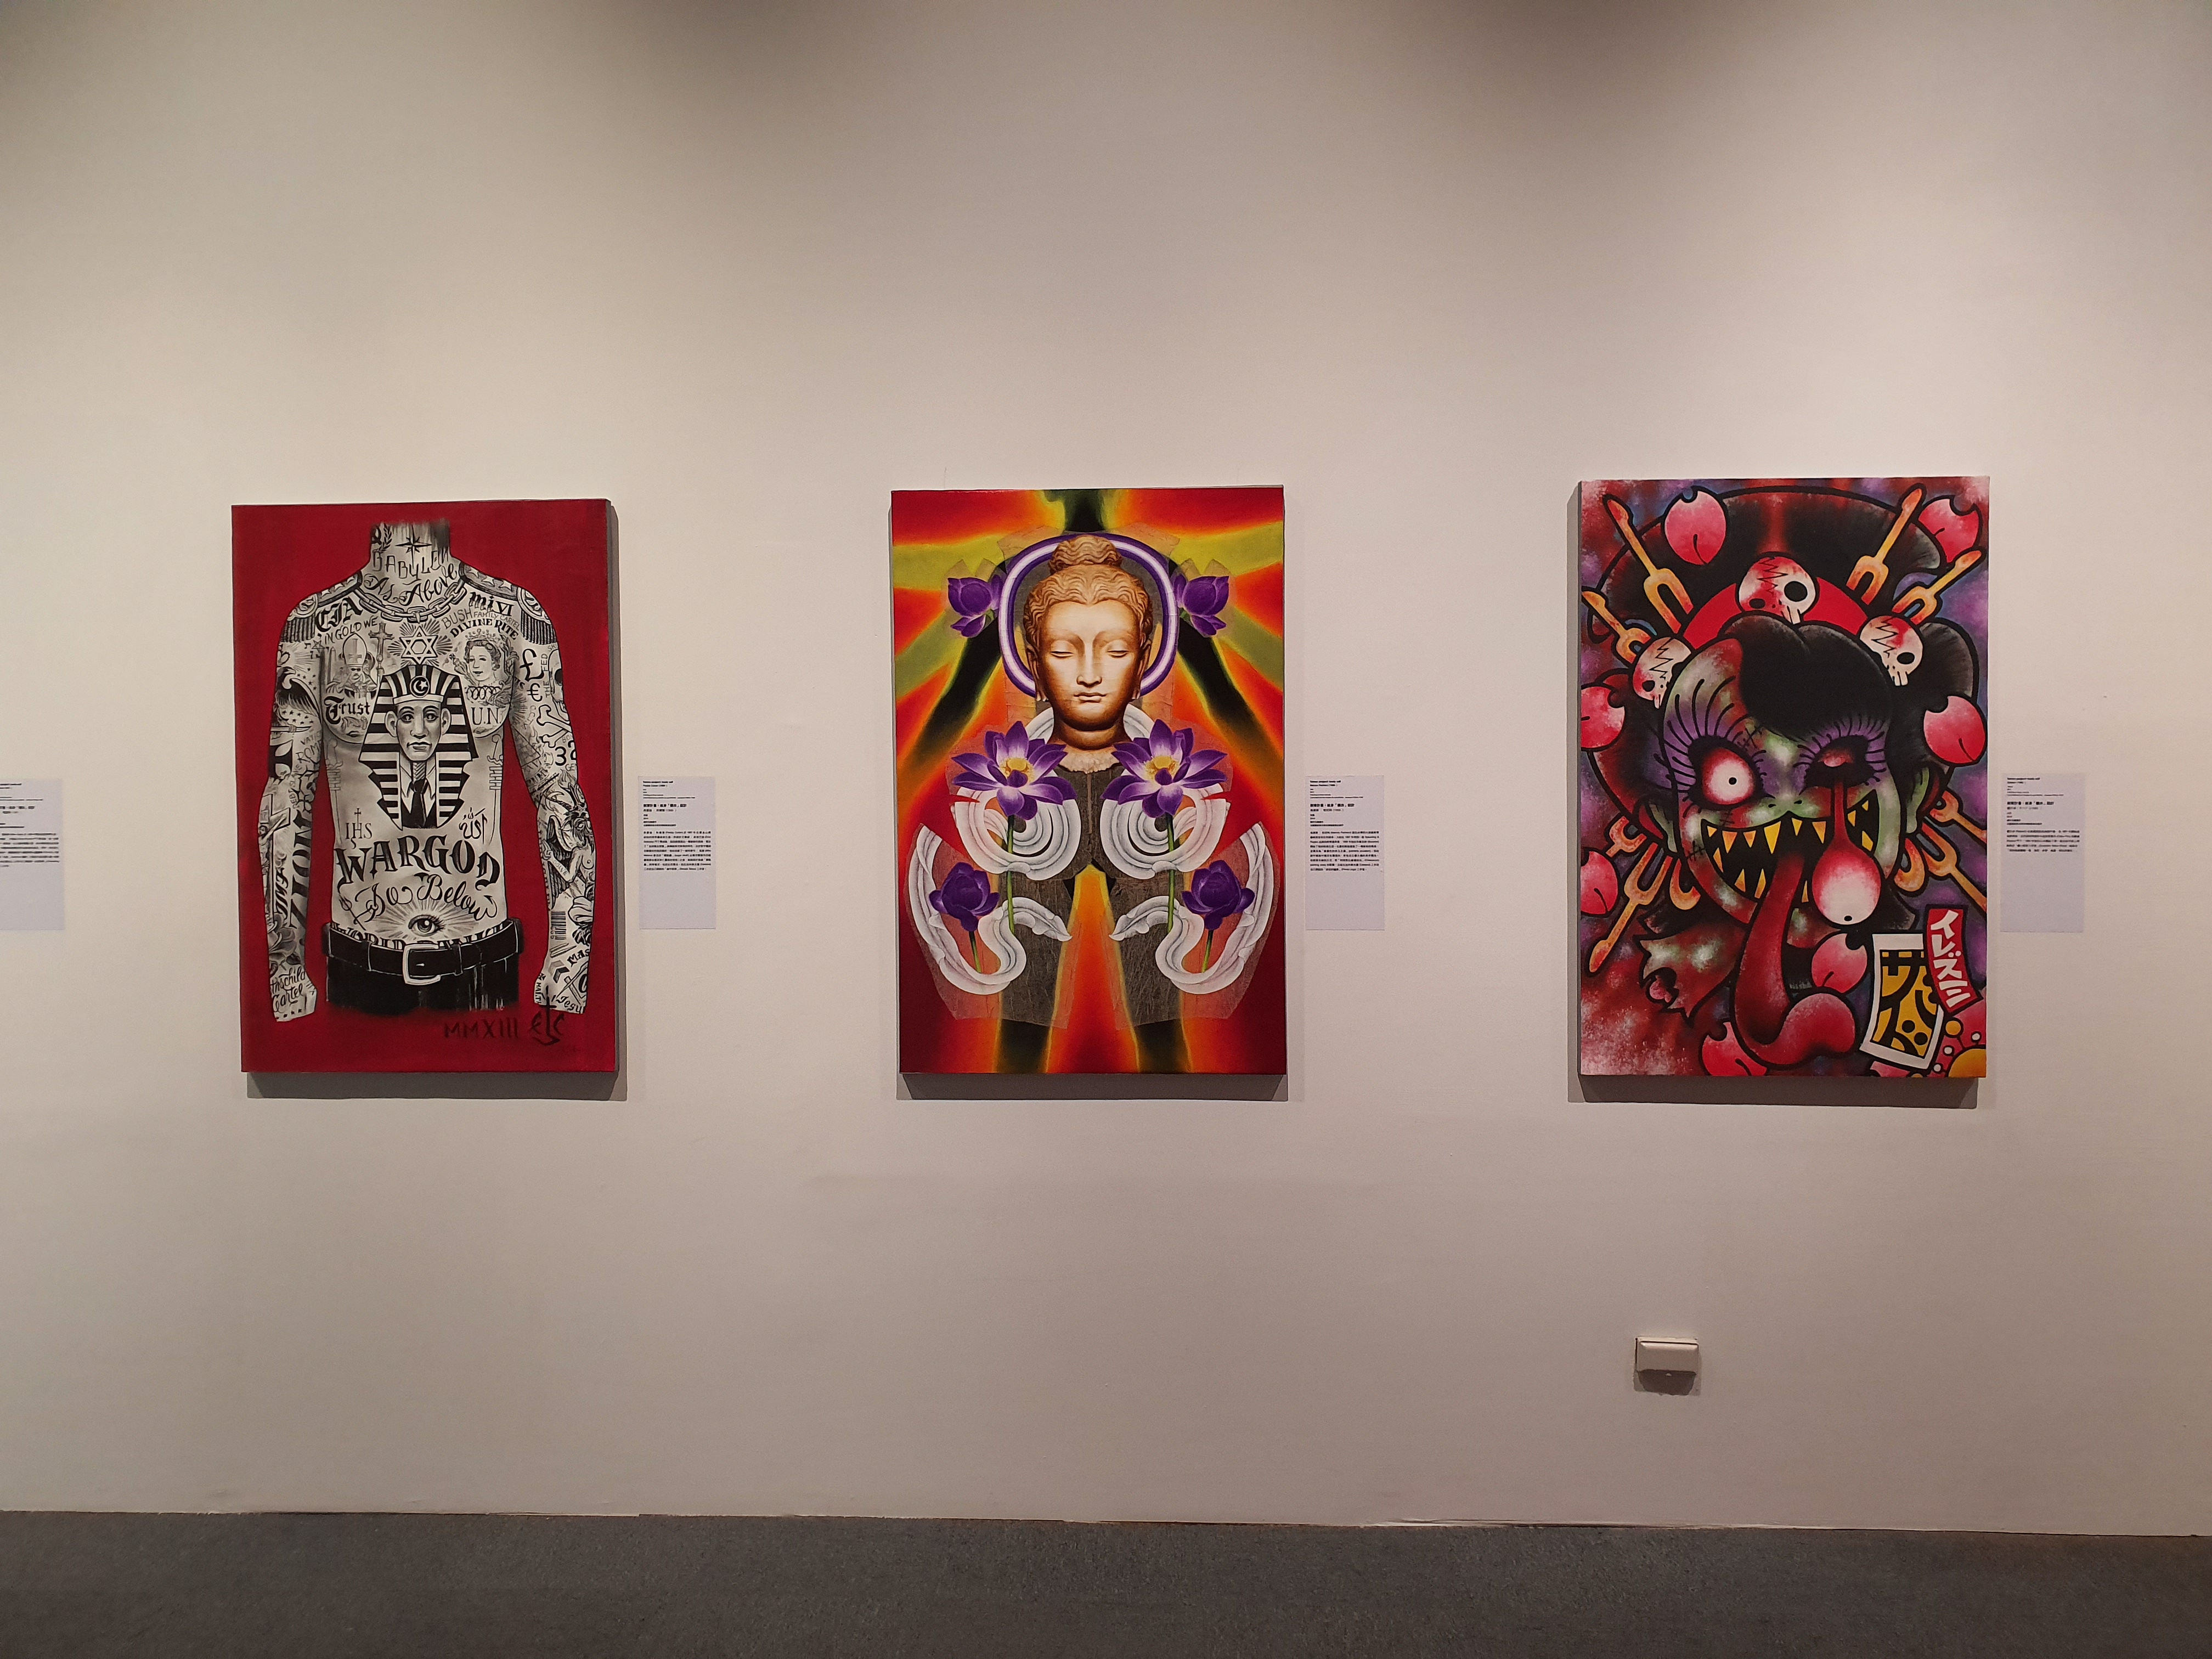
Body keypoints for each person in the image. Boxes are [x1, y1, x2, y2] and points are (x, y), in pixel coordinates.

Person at [256, 520, 595, 1019]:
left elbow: (559, 793)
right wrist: (285, 967)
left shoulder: (514, 618)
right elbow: (287, 798)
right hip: (357, 965)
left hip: (483, 967)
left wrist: (569, 963)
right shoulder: (317, 627)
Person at [997, 536, 1187, 1072]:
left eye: (1116, 651)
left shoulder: (1163, 788)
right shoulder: (1016, 787)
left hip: (1138, 789)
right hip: (1040, 790)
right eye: (1063, 652)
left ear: (1145, 658)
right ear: (1033, 662)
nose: (1088, 675)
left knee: (1159, 1008)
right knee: (1022, 1008)